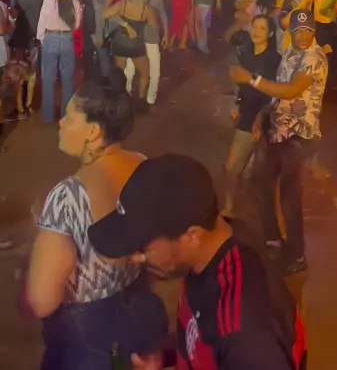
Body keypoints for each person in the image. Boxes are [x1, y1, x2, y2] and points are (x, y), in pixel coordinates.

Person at [89, 153, 307, 370]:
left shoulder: (245, 336)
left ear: (192, 236)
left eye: (143, 249)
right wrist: (164, 355)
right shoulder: (219, 242)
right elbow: (203, 334)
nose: (135, 258)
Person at [27, 81, 167, 369]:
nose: (61, 123)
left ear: (93, 132)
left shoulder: (67, 198)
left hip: (85, 333)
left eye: (69, 117)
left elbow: (42, 300)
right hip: (136, 310)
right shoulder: (143, 166)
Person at [232, 9, 327, 275]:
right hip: (276, 130)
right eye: (298, 31)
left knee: (289, 198)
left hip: (298, 137)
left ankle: (296, 255)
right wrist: (261, 116)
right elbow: (278, 93)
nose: (303, 36)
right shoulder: (290, 53)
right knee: (259, 182)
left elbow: (291, 90)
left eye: (308, 31)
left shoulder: (314, 57)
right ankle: (272, 239)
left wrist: (250, 79)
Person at [225, 15, 281, 216]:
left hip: (266, 117)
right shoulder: (246, 55)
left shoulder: (274, 60)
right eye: (254, 27)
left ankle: (270, 217)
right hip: (247, 114)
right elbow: (242, 86)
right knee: (232, 166)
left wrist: (261, 116)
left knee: (265, 171)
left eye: (262, 28)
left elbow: (275, 93)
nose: (256, 31)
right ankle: (229, 206)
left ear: (271, 33)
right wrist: (238, 103)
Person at [104, 0, 157, 108]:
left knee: (119, 73)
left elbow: (105, 14)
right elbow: (154, 27)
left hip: (120, 41)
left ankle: (119, 99)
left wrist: (108, 2)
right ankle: (141, 101)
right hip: (136, 43)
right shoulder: (148, 9)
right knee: (144, 73)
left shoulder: (123, 4)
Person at [37, 0, 83, 123]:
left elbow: (42, 21)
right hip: (67, 39)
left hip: (50, 38)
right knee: (67, 77)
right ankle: (65, 114)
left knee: (48, 77)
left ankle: (48, 116)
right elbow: (76, 25)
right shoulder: (75, 3)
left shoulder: (48, 1)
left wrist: (42, 39)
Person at [125, 0, 169, 107]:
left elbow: (163, 16)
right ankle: (132, 93)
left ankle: (149, 97)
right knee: (131, 70)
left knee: (150, 71)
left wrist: (166, 34)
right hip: (140, 38)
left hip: (148, 38)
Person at [9, 0, 44, 117]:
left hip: (22, 37)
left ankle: (20, 108)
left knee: (18, 74)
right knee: (31, 73)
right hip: (34, 37)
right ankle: (28, 105)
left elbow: (17, 16)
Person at [82, 0, 111, 81]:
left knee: (101, 52)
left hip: (95, 26)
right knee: (97, 53)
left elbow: (100, 12)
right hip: (92, 25)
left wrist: (99, 33)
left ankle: (105, 79)